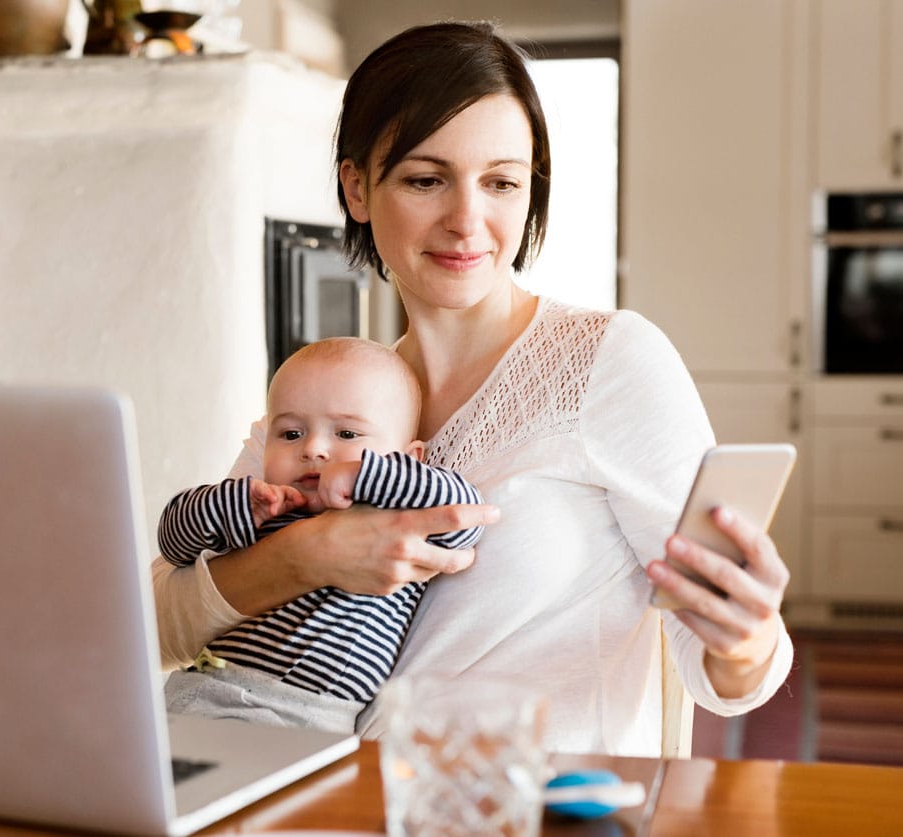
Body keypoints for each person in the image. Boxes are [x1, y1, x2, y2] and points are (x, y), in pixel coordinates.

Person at [152, 20, 794, 755]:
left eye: (501, 182)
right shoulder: (323, 400)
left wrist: (744, 640)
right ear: (357, 188)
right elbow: (162, 624)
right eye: (427, 180)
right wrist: (312, 554)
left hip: (530, 810)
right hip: (330, 800)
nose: (467, 221)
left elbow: (727, 669)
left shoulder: (610, 361)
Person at [158, 337, 484, 734]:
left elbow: (464, 517)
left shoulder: (402, 515)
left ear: (409, 458)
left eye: (347, 435)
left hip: (314, 719)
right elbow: (173, 542)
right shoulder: (267, 508)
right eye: (291, 434)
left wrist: (366, 475)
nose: (314, 448)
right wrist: (233, 502)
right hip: (208, 694)